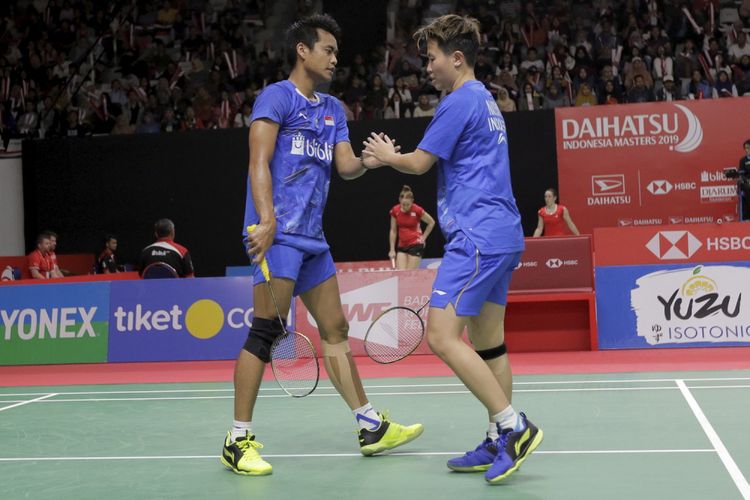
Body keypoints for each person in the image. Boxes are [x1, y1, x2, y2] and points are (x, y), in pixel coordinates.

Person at [225, 14, 423, 477]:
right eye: (328, 50)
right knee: (265, 331)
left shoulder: (333, 108)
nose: (336, 58)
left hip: (313, 239)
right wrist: (266, 220)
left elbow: (346, 167)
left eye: (336, 52)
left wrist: (373, 162)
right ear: (302, 50)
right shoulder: (276, 98)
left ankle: (369, 424)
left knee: (334, 330)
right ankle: (237, 439)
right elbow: (259, 161)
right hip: (277, 235)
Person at [363, 14, 542, 484]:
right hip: (504, 234)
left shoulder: (458, 101)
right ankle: (497, 438)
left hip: (477, 236)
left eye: (432, 57)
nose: (427, 67)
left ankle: (513, 426)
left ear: (456, 58)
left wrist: (385, 157)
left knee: (442, 336)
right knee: (489, 344)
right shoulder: (487, 100)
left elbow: (419, 163)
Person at [388, 185, 435, 269]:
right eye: (403, 204)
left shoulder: (417, 210)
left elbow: (431, 222)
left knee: (410, 275)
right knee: (401, 275)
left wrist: (423, 238)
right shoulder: (395, 210)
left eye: (408, 204)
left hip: (416, 245)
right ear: (399, 200)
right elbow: (393, 230)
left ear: (412, 201)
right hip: (402, 245)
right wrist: (392, 249)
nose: (405, 207)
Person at [738, 139, 750, 221]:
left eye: (748, 148)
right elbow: (741, 175)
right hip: (747, 185)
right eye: (745, 148)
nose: (747, 150)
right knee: (745, 188)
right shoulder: (743, 160)